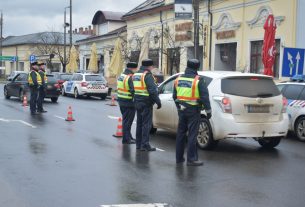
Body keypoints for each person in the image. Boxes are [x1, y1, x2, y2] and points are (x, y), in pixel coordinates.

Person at [173, 59, 211, 166]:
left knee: (180, 134)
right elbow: (205, 97)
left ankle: (179, 158)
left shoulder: (178, 79)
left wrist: (178, 108)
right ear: (197, 68)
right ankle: (192, 159)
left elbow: (174, 96)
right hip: (193, 111)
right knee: (192, 135)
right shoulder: (198, 80)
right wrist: (208, 112)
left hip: (182, 110)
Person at [133, 59, 162, 151]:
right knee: (146, 124)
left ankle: (138, 144)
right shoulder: (148, 75)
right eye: (152, 66)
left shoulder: (136, 74)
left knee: (139, 124)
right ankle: (145, 145)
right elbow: (153, 91)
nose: (152, 68)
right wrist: (158, 101)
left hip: (137, 101)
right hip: (146, 102)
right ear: (150, 66)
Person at [117, 62, 138, 145]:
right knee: (128, 121)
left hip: (121, 101)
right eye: (135, 69)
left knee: (126, 120)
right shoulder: (130, 77)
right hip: (129, 102)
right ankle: (126, 139)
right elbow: (133, 90)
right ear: (133, 68)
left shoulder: (121, 76)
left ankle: (129, 136)